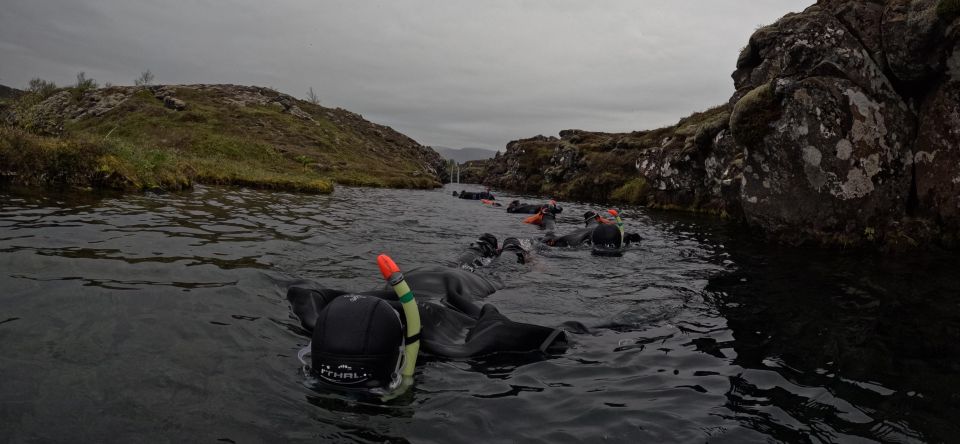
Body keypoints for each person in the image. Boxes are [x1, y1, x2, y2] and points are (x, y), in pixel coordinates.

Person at [286, 235, 566, 394]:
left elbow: (546, 337)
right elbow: (303, 291)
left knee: (496, 263)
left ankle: (512, 246)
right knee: (470, 261)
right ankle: (491, 243)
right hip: (424, 280)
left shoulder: (457, 345)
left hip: (463, 286)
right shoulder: (329, 318)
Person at [540, 210, 642, 255]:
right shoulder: (623, 235)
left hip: (580, 245)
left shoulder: (571, 237)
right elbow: (637, 237)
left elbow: (547, 240)